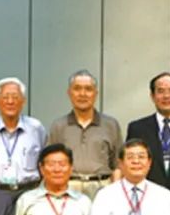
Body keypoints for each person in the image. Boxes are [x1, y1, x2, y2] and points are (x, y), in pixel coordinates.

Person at [48, 70, 122, 198]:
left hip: (102, 187)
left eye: (88, 89)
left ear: (96, 94)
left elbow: (118, 164)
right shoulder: (58, 126)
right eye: (77, 89)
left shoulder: (110, 125)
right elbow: (51, 163)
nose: (82, 94)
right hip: (68, 187)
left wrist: (115, 192)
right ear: (69, 93)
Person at [0, 78, 46, 193]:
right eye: (5, 97)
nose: (10, 101)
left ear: (23, 101)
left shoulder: (36, 128)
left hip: (30, 190)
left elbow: (45, 161)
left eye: (15, 97)